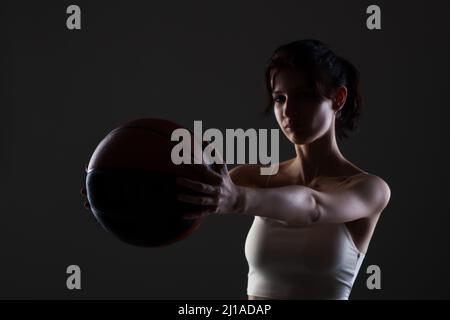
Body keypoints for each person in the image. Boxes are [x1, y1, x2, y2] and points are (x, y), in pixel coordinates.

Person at [176, 39, 391, 300]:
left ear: (338, 99)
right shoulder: (257, 178)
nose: (288, 110)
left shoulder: (369, 189)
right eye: (280, 98)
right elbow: (189, 195)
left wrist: (239, 200)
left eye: (304, 96)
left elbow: (313, 207)